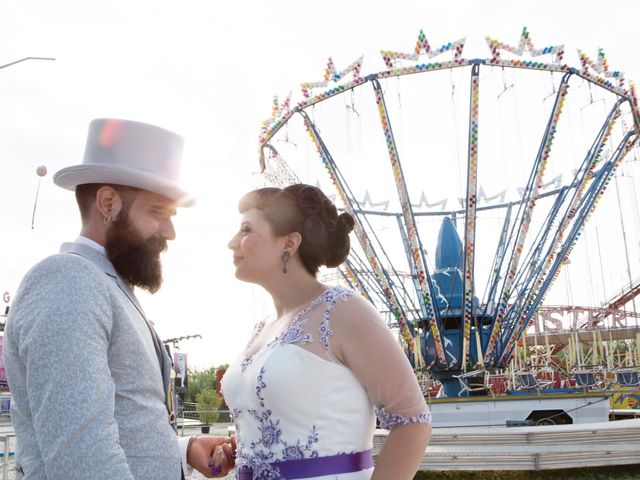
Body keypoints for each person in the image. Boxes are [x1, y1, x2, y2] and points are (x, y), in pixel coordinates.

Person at [3, 118, 235, 479]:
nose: (171, 232)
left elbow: (120, 415)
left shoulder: (104, 282)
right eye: (158, 213)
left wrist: (182, 450)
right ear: (108, 202)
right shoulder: (69, 279)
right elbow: (82, 459)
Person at [223, 184, 431, 479]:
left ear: (289, 243)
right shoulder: (261, 328)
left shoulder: (344, 311)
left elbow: (413, 420)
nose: (232, 242)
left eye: (245, 230)